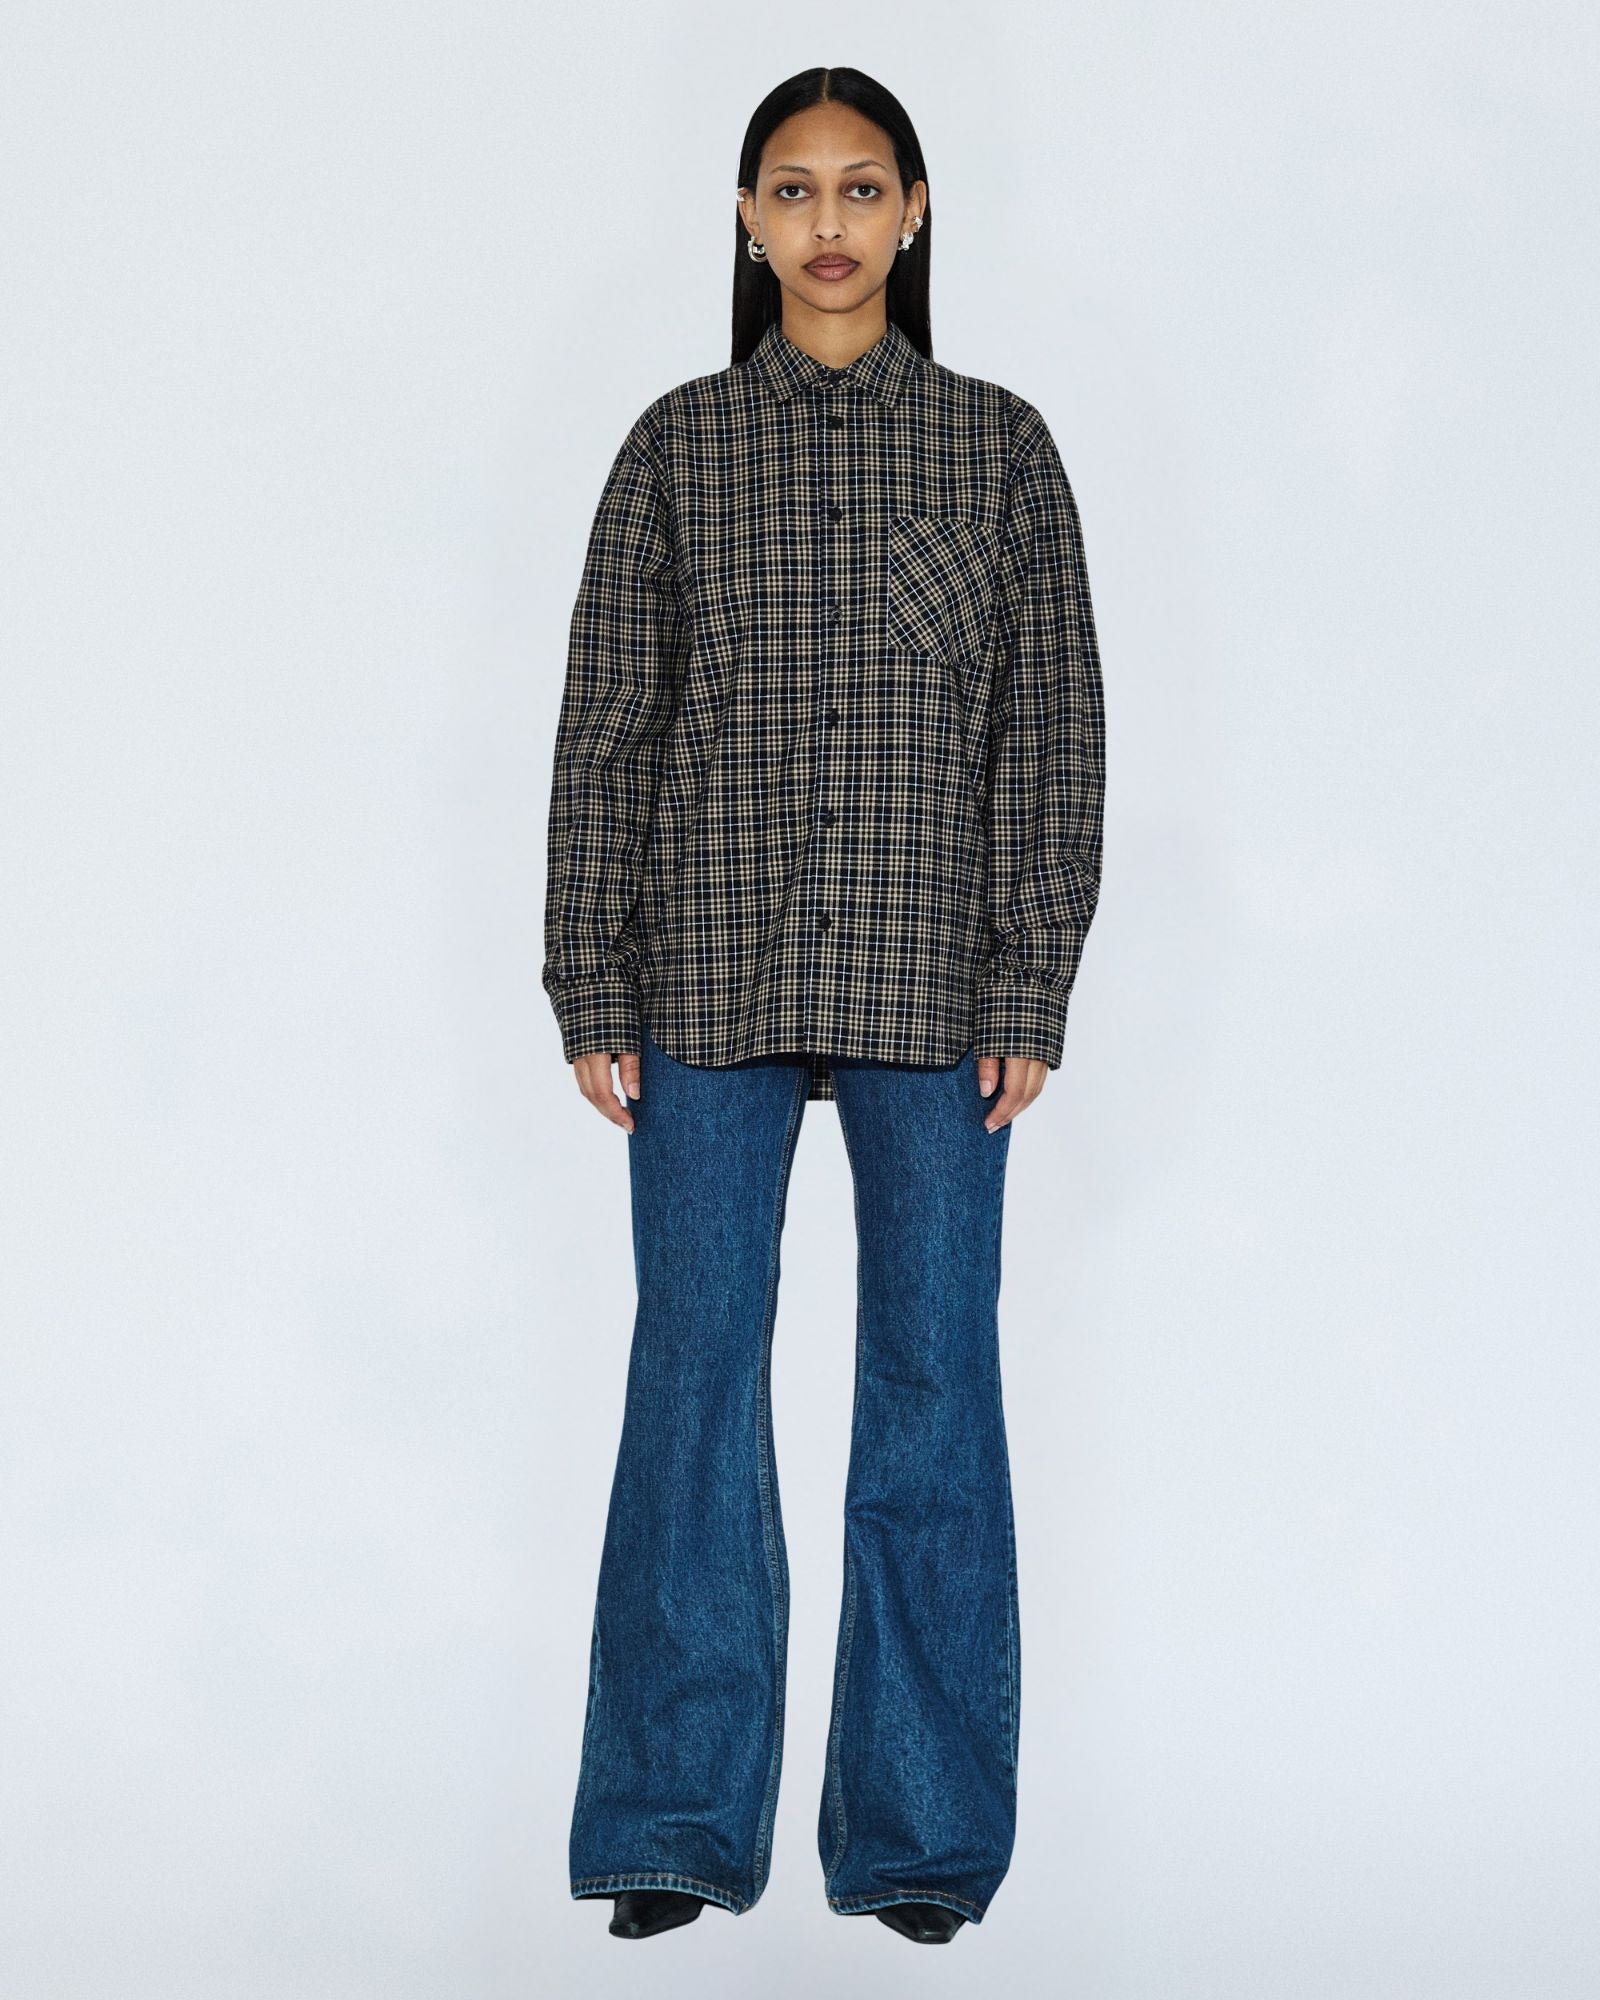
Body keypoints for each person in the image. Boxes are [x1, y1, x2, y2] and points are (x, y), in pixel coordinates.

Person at [542, 65, 1106, 1946]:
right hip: (702, 969)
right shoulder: (678, 449)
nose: (831, 222)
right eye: (794, 190)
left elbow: (1053, 734)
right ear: (747, 220)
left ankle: (919, 1841)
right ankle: (670, 1825)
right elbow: (608, 730)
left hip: (936, 982)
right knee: (694, 1378)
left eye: (864, 188)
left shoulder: (1000, 450)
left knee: (933, 1385)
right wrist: (589, 975)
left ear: (917, 211)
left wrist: (1030, 974)